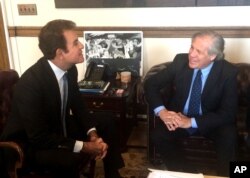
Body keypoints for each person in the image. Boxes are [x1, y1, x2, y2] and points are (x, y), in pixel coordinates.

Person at [1, 19, 124, 178]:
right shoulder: (30, 84)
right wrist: (85, 146)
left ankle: (113, 175)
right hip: (30, 144)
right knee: (69, 158)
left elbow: (78, 105)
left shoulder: (69, 69)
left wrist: (93, 134)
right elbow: (39, 137)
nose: (81, 46)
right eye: (75, 43)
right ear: (60, 53)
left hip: (58, 126)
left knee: (106, 120)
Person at [144, 30, 238, 176]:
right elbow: (151, 84)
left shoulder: (228, 72)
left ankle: (224, 175)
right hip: (180, 116)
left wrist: (191, 122)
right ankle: (187, 173)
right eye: (191, 47)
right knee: (158, 135)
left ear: (212, 56)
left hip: (209, 119)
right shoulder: (180, 62)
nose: (192, 54)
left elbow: (228, 114)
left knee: (229, 136)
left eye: (198, 51)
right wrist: (162, 112)